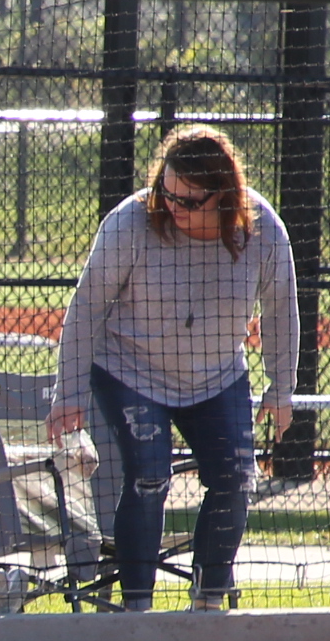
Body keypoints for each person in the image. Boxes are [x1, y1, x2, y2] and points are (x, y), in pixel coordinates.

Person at [45, 124, 302, 613]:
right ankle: (135, 610)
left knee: (235, 477)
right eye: (167, 192)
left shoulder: (263, 229)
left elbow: (281, 310)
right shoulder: (130, 224)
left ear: (222, 197)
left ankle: (207, 603)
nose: (171, 207)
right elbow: (85, 309)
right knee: (149, 476)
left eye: (187, 201)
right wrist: (69, 392)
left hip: (217, 373)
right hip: (129, 369)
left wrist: (281, 388)